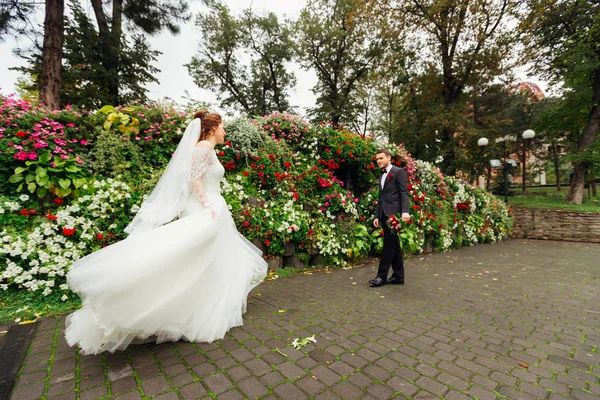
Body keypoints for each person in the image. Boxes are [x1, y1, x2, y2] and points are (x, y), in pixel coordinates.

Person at [65, 110, 268, 355]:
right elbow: (194, 181)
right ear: (212, 128)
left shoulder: (208, 149)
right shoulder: (203, 147)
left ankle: (199, 307)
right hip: (207, 209)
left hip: (213, 207)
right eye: (223, 126)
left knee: (205, 261)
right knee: (189, 260)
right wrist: (207, 207)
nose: (225, 131)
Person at [369, 148, 410, 287]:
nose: (379, 161)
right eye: (377, 159)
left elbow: (404, 193)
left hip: (394, 215)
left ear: (389, 157)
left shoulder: (399, 172)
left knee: (388, 245)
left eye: (381, 158)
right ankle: (398, 276)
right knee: (394, 245)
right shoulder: (381, 176)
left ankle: (381, 276)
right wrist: (377, 215)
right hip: (384, 215)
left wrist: (405, 212)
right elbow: (381, 198)